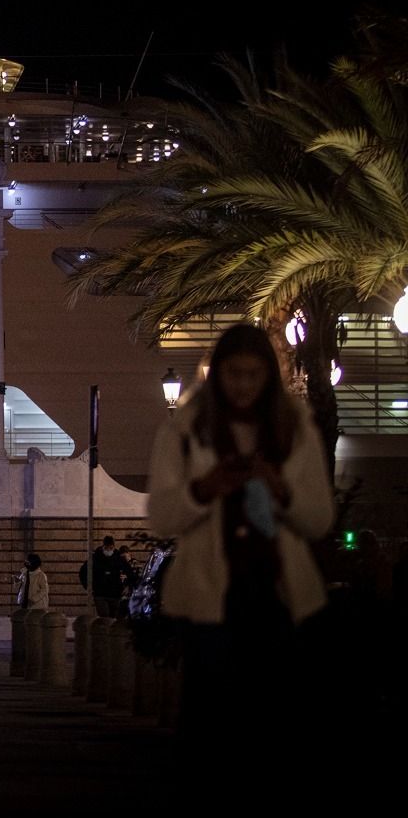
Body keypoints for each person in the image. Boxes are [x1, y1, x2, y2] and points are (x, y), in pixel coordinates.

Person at [147, 323, 333, 771]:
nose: (244, 385)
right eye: (234, 374)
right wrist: (204, 489)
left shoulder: (294, 428)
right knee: (211, 728)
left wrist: (280, 488)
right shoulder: (187, 431)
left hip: (279, 595)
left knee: (276, 728)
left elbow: (319, 519)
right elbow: (162, 517)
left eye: (254, 374)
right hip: (212, 599)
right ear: (218, 375)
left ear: (269, 374)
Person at [80, 536, 137, 619]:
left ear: (113, 547)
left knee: (114, 618)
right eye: (107, 548)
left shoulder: (119, 558)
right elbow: (83, 572)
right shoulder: (96, 557)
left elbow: (131, 573)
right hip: (100, 594)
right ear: (103, 546)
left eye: (111, 548)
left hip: (115, 594)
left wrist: (127, 584)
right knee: (104, 617)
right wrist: (88, 587)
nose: (109, 550)